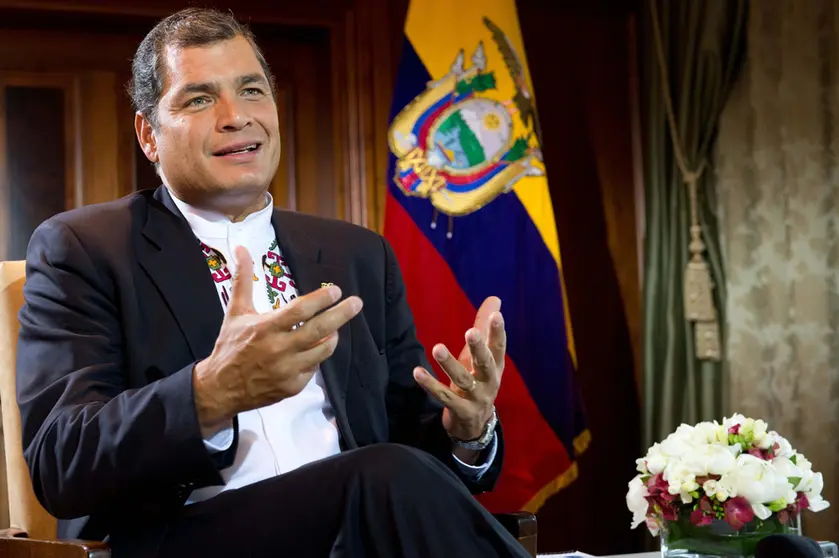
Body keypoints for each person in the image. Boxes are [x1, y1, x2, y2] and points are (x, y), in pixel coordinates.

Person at [15, 8, 530, 558]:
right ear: (149, 136)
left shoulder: (355, 254)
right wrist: (210, 393)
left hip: (355, 531)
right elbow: (60, 460)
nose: (237, 117)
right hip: (188, 538)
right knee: (383, 477)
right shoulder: (86, 248)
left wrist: (467, 431)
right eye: (198, 98)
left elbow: (412, 448)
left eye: (252, 90)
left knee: (388, 477)